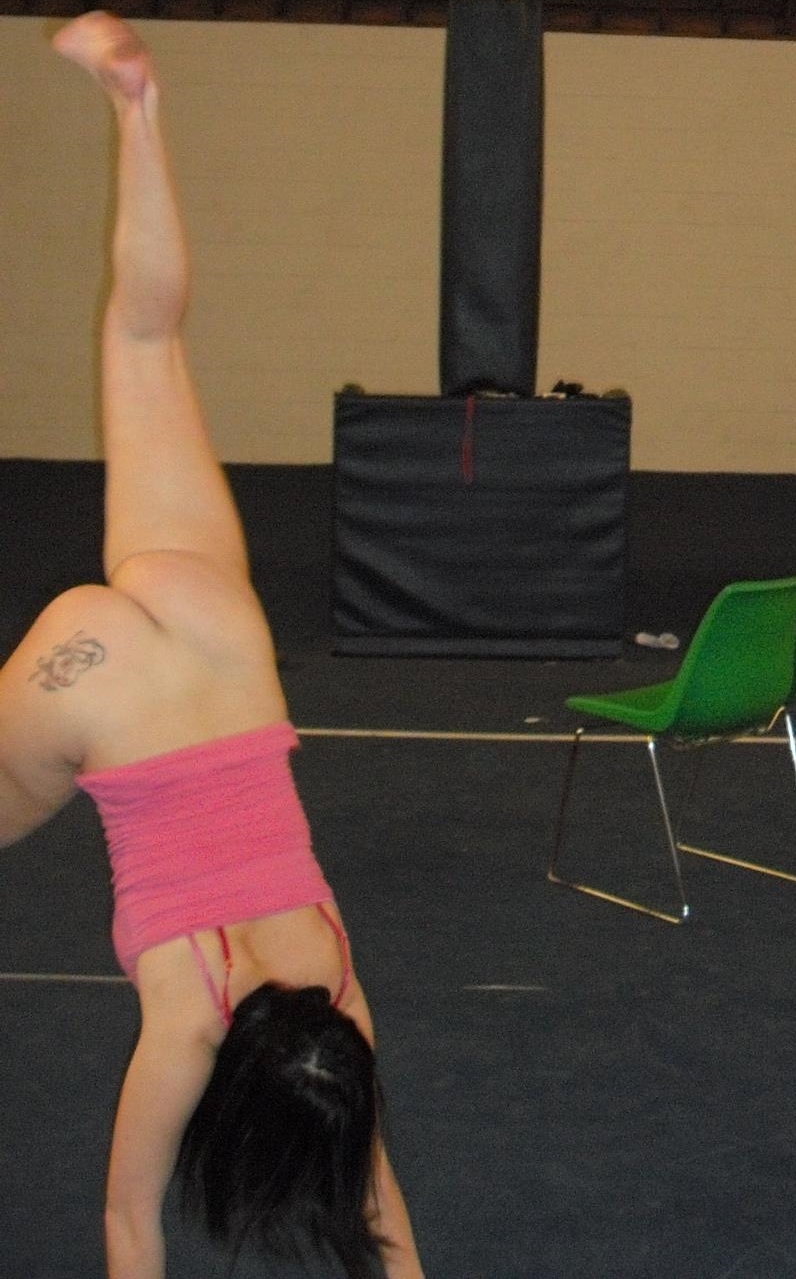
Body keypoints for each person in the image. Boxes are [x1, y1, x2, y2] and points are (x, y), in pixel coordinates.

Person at [0, 12, 424, 1279]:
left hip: (219, 651)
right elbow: (131, 1225)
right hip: (99, 692)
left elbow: (383, 1204)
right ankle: (131, 108)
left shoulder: (339, 998)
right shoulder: (189, 1028)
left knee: (146, 341)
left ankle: (135, 107)